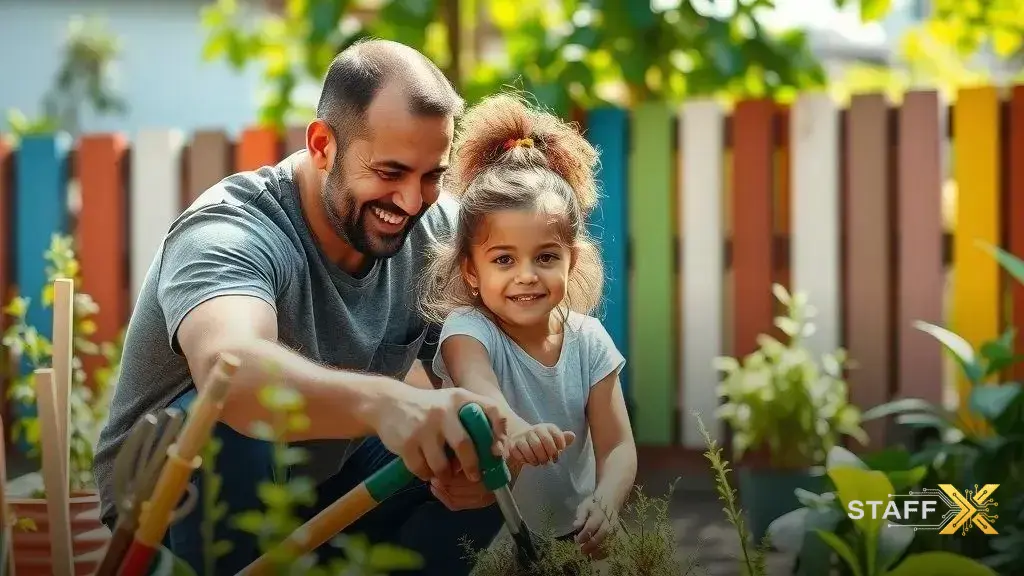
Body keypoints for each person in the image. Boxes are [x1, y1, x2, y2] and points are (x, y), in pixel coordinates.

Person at [92, 40, 551, 575]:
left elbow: (480, 355)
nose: (411, 201)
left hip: (320, 496)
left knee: (469, 437)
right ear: (322, 145)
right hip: (162, 521)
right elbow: (230, 371)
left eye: (431, 175)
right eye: (389, 172)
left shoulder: (434, 231)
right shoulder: (231, 231)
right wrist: (387, 403)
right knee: (221, 418)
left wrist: (490, 440)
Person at [418, 93, 638, 560]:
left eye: (545, 257)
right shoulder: (468, 332)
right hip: (489, 541)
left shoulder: (589, 340)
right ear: (471, 271)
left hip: (575, 542)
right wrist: (517, 430)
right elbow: (482, 393)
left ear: (570, 261)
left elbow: (618, 444)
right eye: (503, 259)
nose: (526, 275)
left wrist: (607, 503)